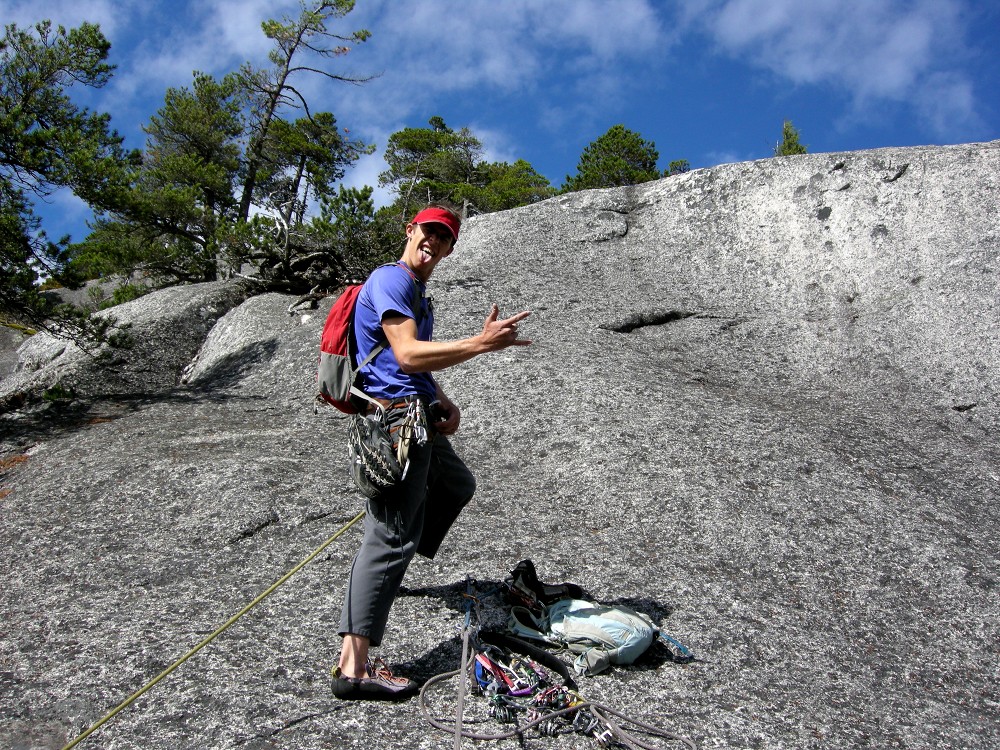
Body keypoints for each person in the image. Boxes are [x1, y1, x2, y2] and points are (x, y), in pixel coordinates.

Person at [331, 204, 532, 700]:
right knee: (389, 536)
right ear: (411, 231)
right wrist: (481, 344)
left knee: (458, 485)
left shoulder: (419, 294)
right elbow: (405, 353)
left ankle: (388, 575)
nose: (435, 242)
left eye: (445, 238)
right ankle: (353, 670)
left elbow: (411, 364)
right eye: (430, 232)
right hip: (395, 421)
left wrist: (442, 399)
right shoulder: (391, 281)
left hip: (419, 414)